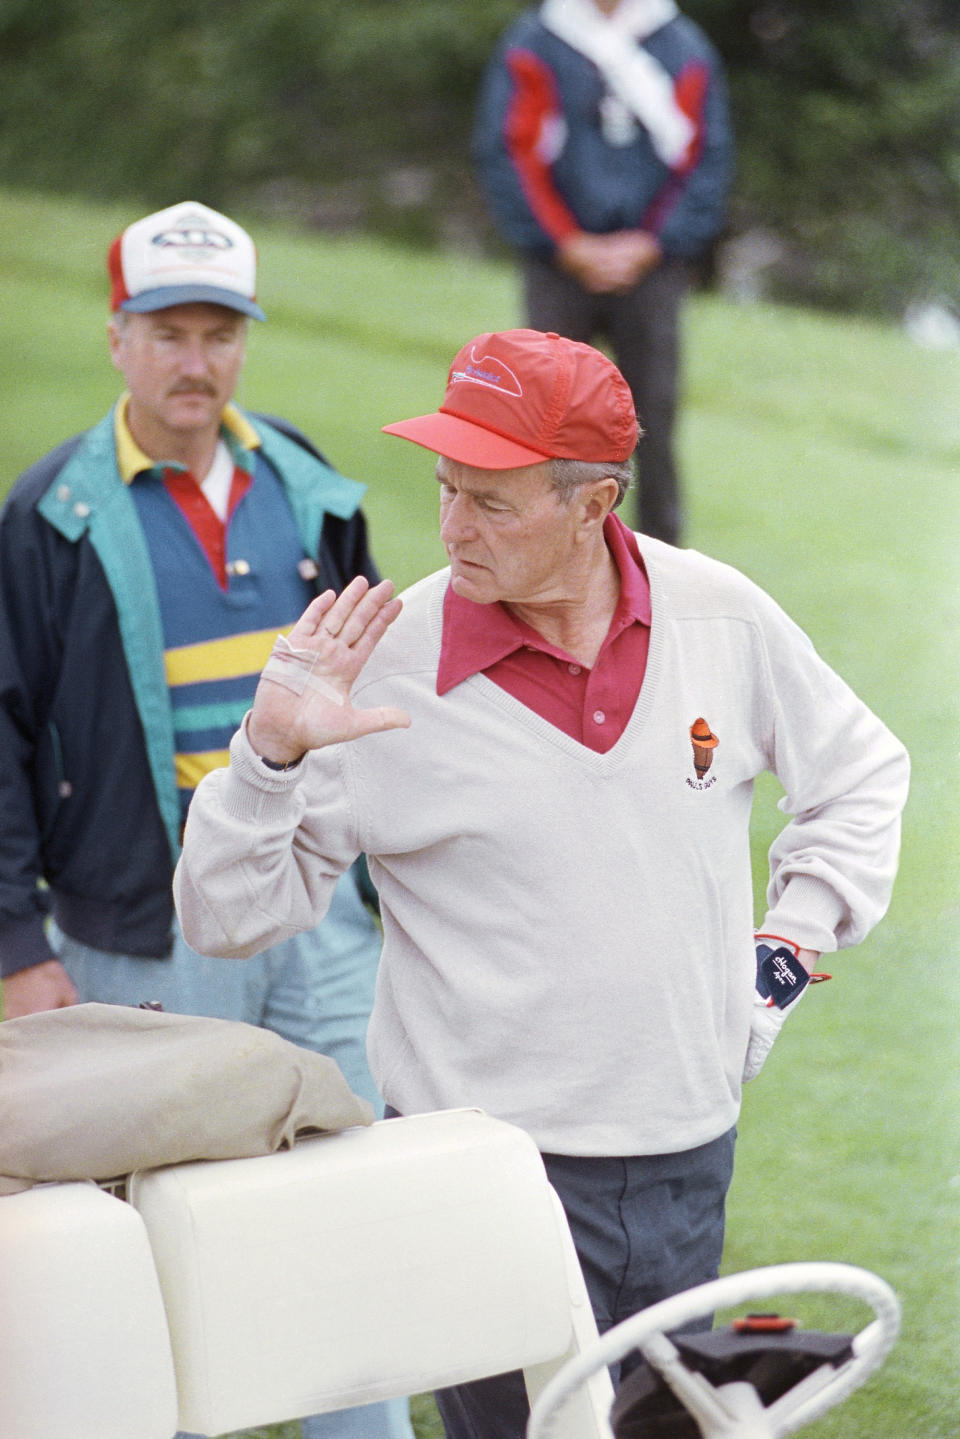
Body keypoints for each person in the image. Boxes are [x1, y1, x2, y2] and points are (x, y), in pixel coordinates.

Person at [174, 328, 909, 1439]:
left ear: (595, 501)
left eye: (493, 501)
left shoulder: (722, 615)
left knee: (669, 1426)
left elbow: (862, 774)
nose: (453, 527)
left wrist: (788, 945)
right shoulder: (383, 664)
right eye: (446, 488)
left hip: (682, 1151)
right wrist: (268, 757)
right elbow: (226, 917)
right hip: (481, 1167)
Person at [0, 200, 414, 1439]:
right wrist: (19, 951)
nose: (198, 361)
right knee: (168, 1224)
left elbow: (361, 688)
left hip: (320, 913)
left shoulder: (304, 481)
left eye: (220, 333)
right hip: (140, 925)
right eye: (170, 332)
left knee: (349, 1198)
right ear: (118, 338)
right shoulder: (47, 517)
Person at [473, 0, 734, 545]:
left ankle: (664, 556)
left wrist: (653, 242)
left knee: (653, 419)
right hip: (560, 265)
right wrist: (565, 242)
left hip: (652, 268)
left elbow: (706, 157)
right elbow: (508, 149)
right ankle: (535, 542)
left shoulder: (682, 45)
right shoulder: (537, 39)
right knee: (544, 415)